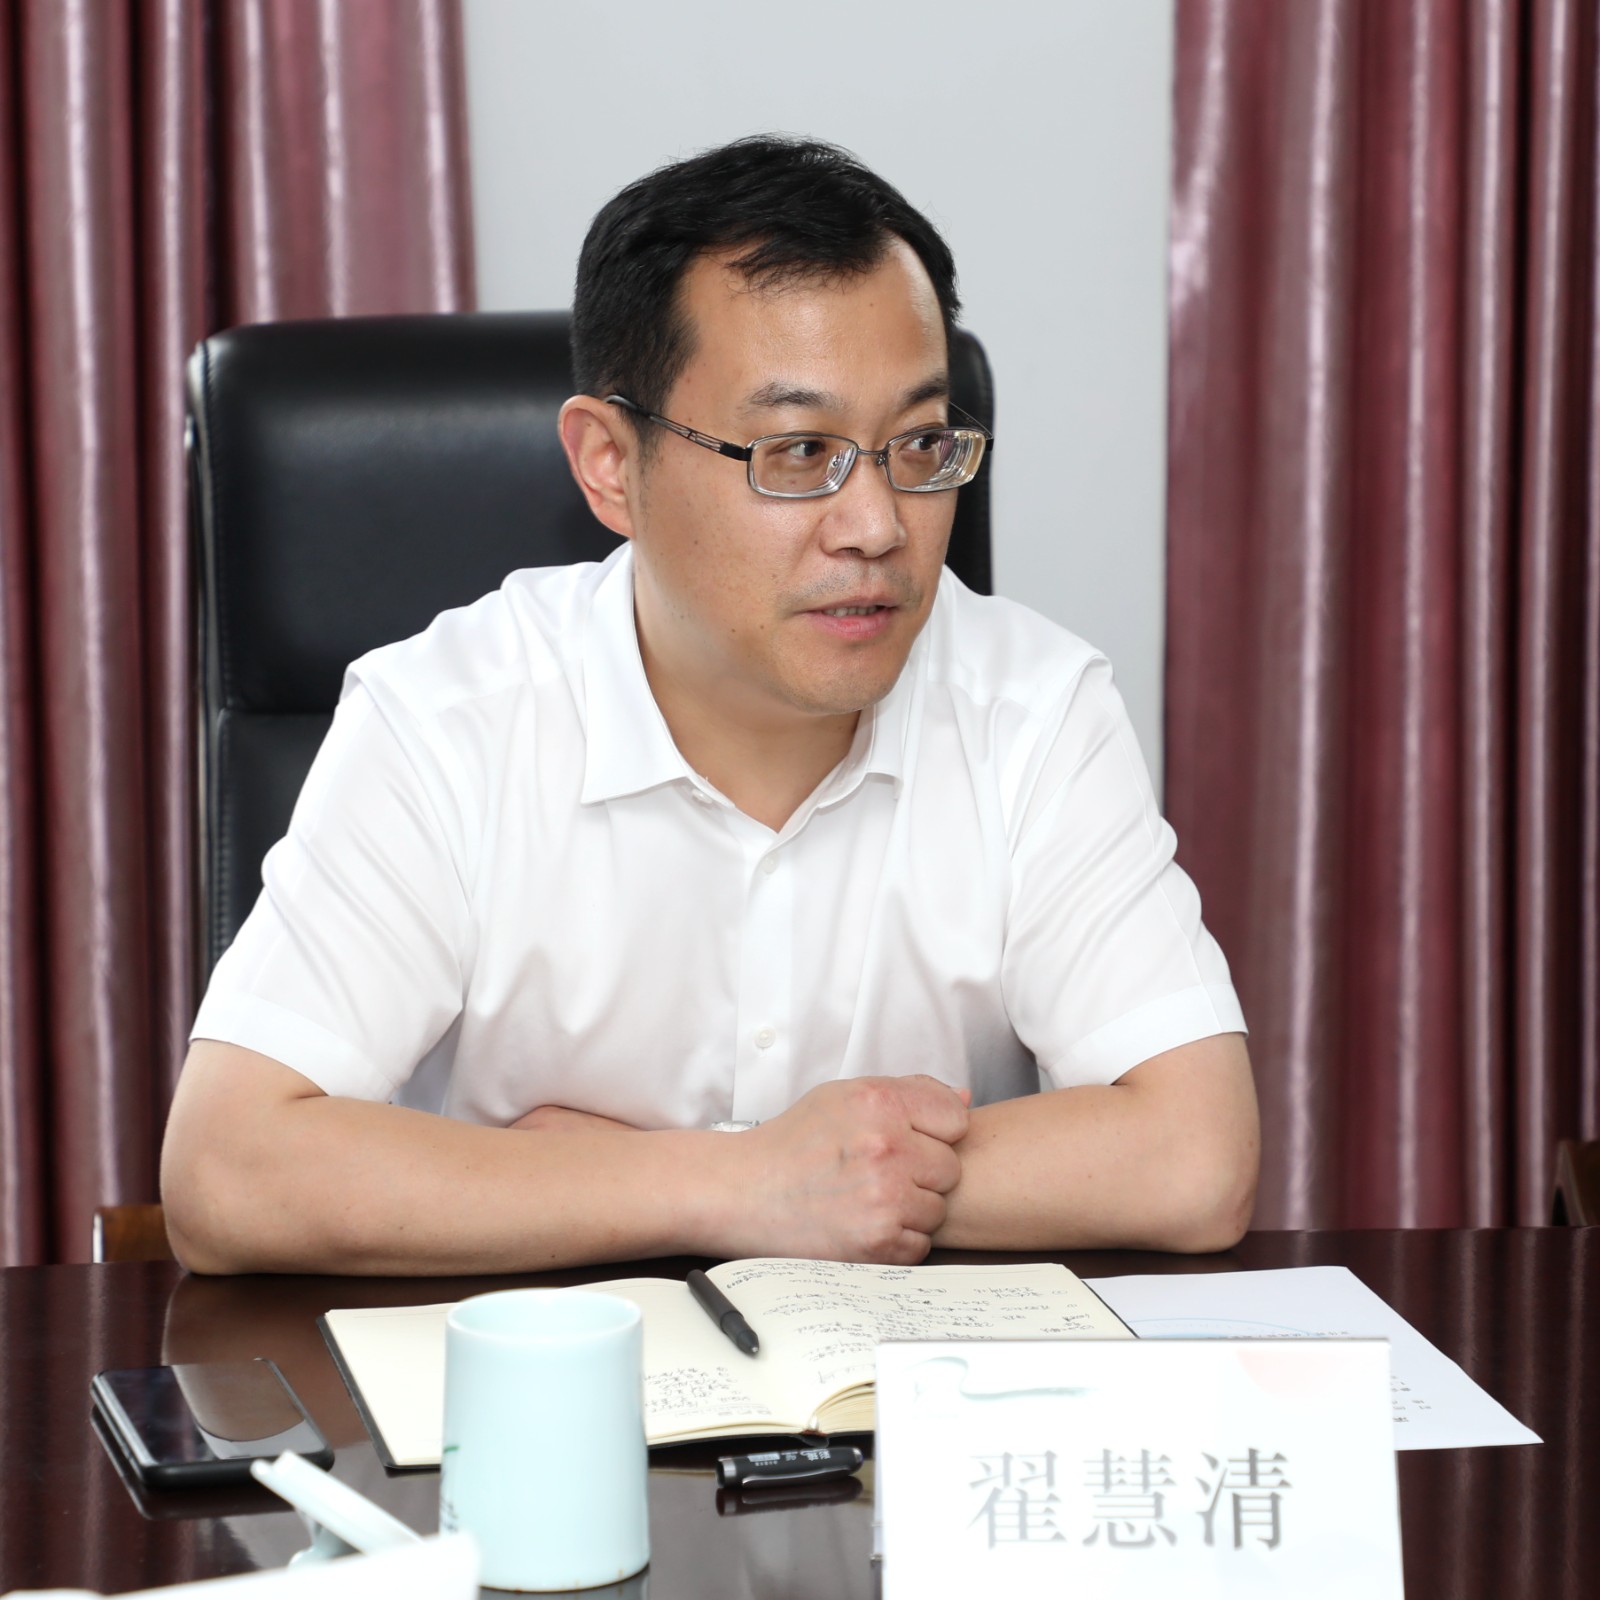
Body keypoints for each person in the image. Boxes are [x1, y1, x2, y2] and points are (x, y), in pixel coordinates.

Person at [161, 136, 1258, 1275]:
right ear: (609, 464)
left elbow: (1194, 1157)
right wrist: (745, 1183)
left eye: (918, 443)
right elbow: (227, 1171)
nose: (877, 525)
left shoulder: (1032, 708)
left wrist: (681, 1175)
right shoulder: (447, 719)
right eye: (799, 451)